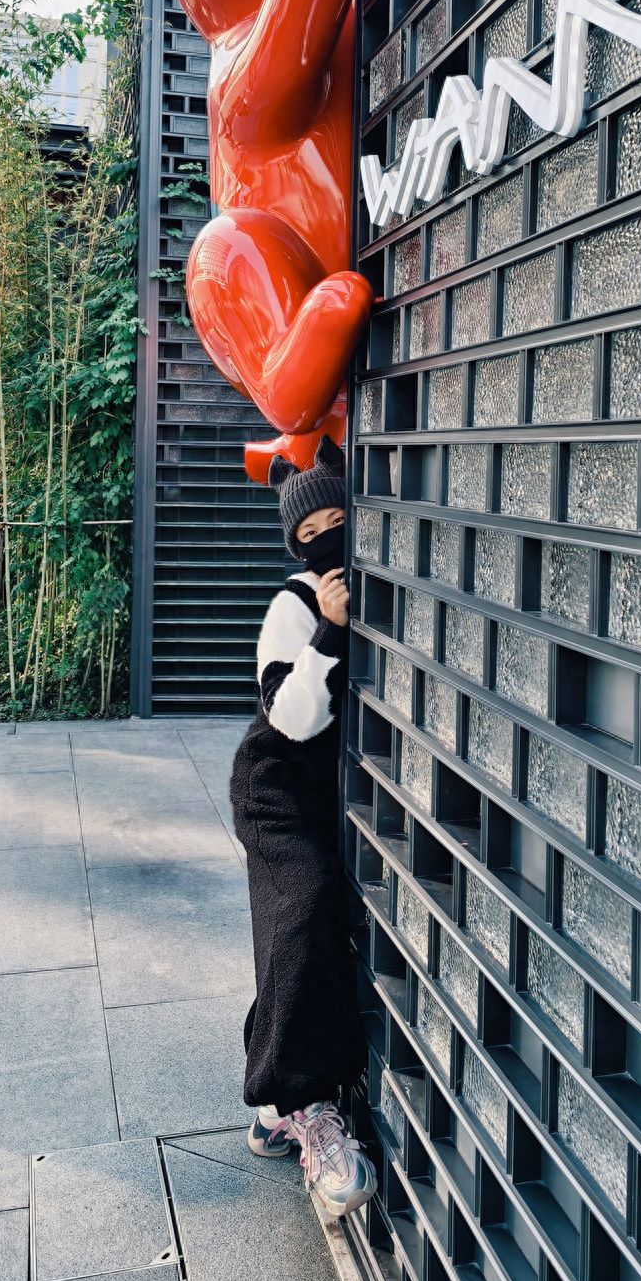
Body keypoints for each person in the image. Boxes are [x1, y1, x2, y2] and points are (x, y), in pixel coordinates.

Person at [228, 436, 376, 1220]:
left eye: (336, 514)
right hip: (274, 786)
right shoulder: (293, 604)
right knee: (304, 910)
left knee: (295, 927)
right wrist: (326, 629)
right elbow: (289, 717)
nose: (326, 532)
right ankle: (309, 1107)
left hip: (316, 790)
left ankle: (269, 1109)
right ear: (295, 542)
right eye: (309, 526)